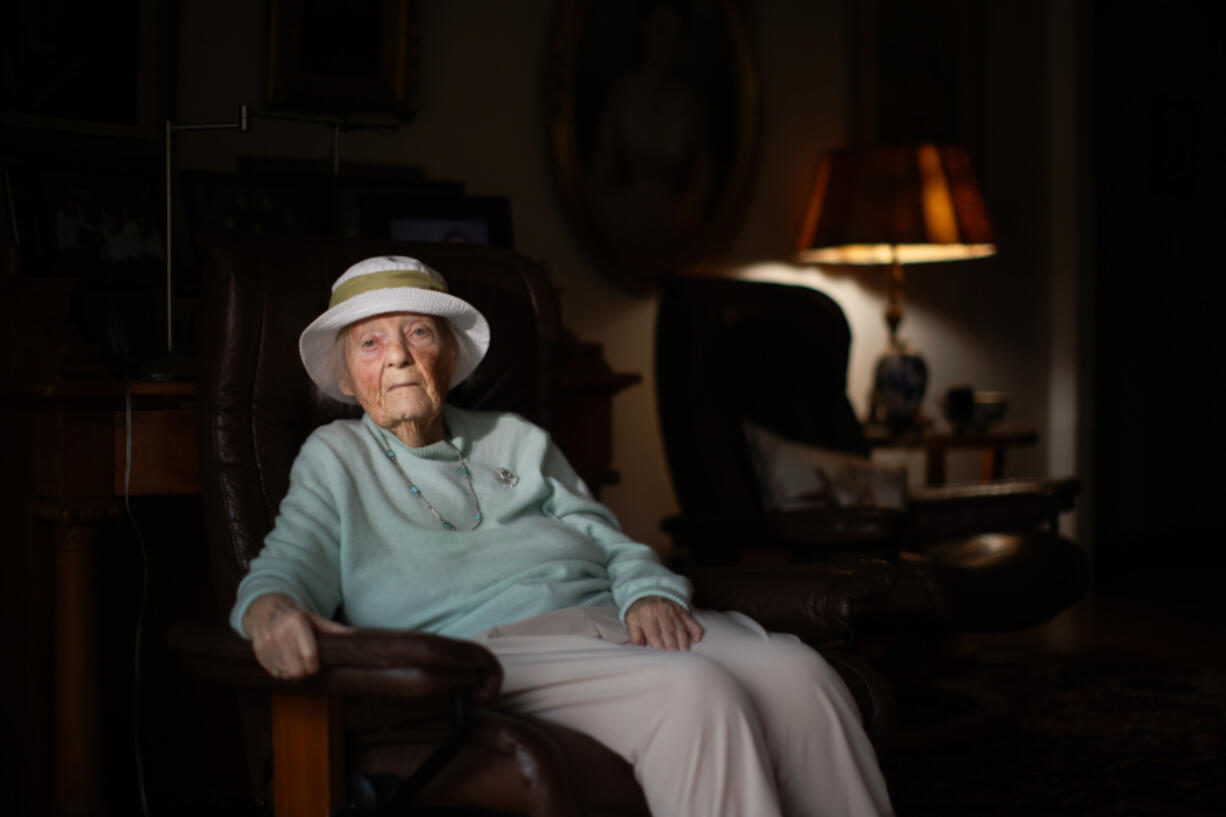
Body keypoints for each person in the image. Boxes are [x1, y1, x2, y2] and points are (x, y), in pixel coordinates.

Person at [231, 255, 894, 817]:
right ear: (346, 377)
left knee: (803, 676)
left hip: (610, 620)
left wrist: (645, 592)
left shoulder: (516, 439)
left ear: (452, 352)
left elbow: (611, 539)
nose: (398, 355)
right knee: (694, 694)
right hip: (488, 651)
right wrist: (272, 610)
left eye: (418, 332)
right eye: (370, 342)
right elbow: (286, 566)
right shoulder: (336, 455)